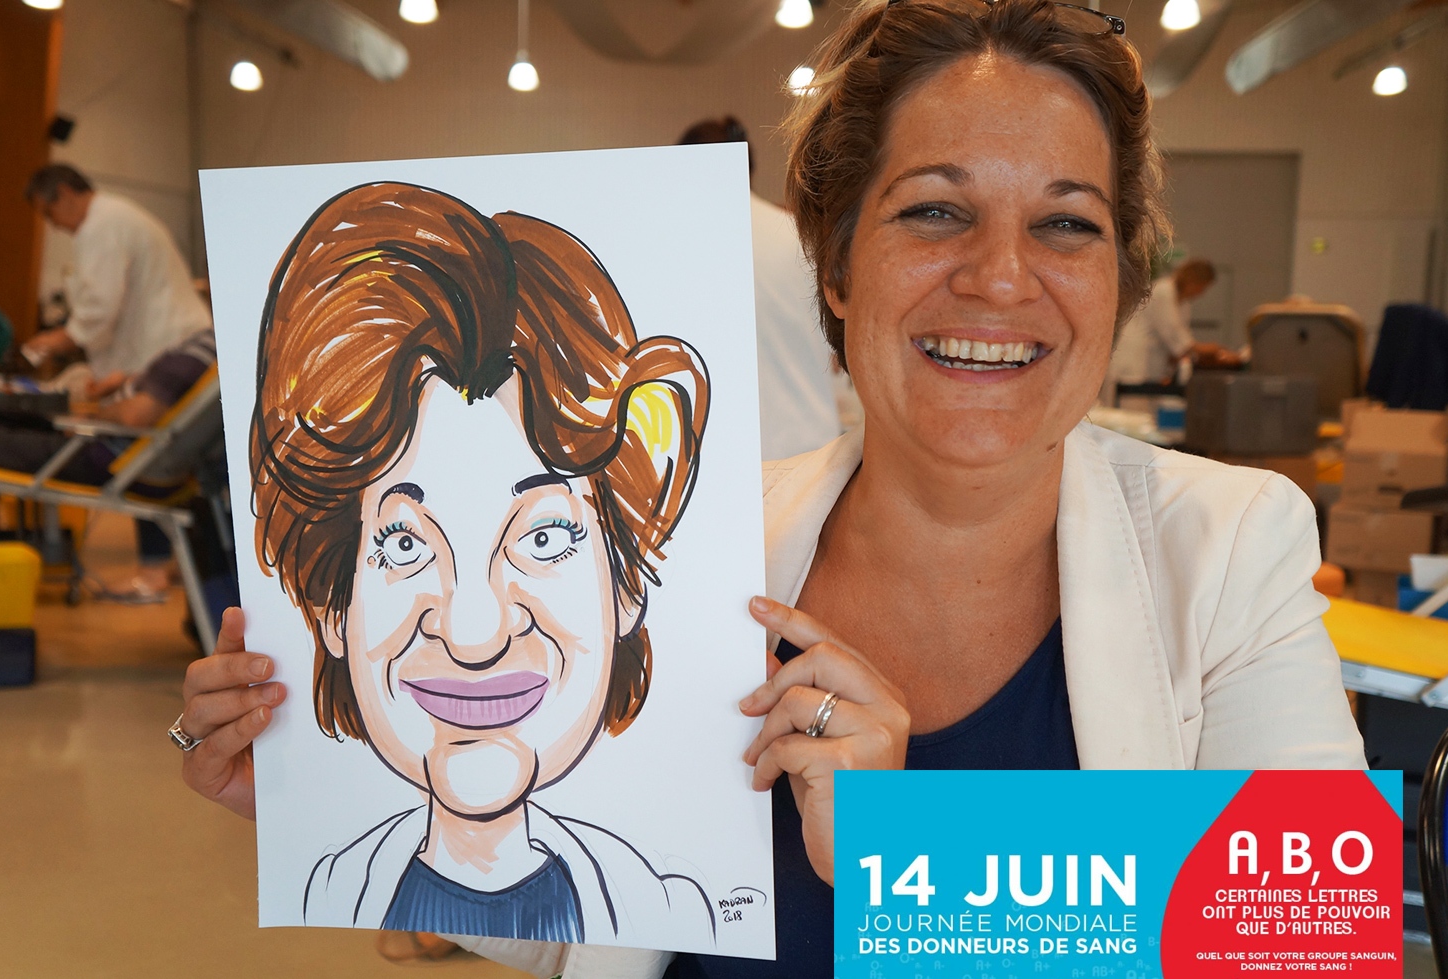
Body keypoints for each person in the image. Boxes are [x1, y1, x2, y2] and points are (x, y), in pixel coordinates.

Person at [180, 3, 1366, 977]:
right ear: (837, 265)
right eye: (935, 211)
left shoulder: (1227, 543)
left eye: (1066, 224)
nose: (1001, 278)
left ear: (1119, 277)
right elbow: (605, 924)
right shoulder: (703, 542)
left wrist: (909, 862)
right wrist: (347, 800)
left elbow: (1309, 931)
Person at [178, 183, 713, 973]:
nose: (472, 631)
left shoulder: (745, 590)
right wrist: (305, 800)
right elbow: (592, 955)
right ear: (331, 604)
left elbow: (921, 948)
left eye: (543, 535)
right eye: (402, 543)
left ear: (629, 577)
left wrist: (882, 841)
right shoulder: (756, 551)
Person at [678, 116, 850, 459]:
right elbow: (836, 349)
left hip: (723, 456)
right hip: (813, 448)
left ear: (682, 169)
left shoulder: (679, 250)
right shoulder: (801, 237)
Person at [0, 328, 216, 539]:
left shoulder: (197, 354)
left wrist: (92, 419)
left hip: (102, 452)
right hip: (123, 451)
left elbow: (136, 415)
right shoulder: (211, 349)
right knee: (1, 418)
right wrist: (126, 382)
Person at [21, 164, 211, 383]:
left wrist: (62, 338)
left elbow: (101, 303)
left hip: (171, 347)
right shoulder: (112, 215)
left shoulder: (100, 225)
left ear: (64, 193)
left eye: (49, 213)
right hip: (177, 344)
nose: (54, 225)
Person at [1109, 257, 1242, 385]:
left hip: (1153, 365)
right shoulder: (1163, 292)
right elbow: (1175, 337)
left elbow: (1181, 341)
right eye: (1202, 287)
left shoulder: (1183, 302)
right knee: (1133, 399)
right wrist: (1213, 349)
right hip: (1135, 362)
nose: (1201, 293)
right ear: (1193, 281)